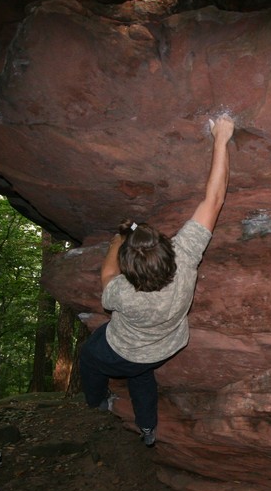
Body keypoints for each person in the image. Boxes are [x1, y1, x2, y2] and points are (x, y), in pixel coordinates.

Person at [80, 114, 235, 446]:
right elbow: (215, 199)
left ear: (130, 272)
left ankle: (97, 400)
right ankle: (148, 428)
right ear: (167, 248)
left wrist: (117, 241)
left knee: (89, 357)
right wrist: (221, 138)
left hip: (121, 350)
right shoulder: (185, 256)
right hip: (167, 346)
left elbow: (107, 274)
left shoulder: (123, 293)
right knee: (142, 374)